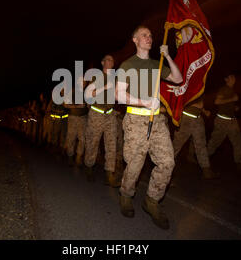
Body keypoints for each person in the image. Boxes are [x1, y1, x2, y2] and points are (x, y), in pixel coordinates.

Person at [116, 25, 182, 230]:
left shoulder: (157, 63)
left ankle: (152, 200)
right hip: (136, 121)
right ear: (135, 40)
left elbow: (178, 79)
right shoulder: (128, 64)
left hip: (158, 122)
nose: (149, 38)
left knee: (167, 162)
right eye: (144, 35)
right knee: (135, 164)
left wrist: (168, 56)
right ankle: (126, 195)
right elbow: (118, 94)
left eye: (151, 35)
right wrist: (143, 102)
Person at [84, 55, 120, 187]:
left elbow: (118, 95)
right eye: (108, 59)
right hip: (96, 113)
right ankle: (89, 166)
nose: (111, 62)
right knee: (93, 142)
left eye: (112, 60)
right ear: (102, 62)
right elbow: (88, 94)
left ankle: (109, 173)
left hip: (110, 115)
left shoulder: (115, 78)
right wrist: (104, 87)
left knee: (111, 144)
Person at [207, 73, 241, 172]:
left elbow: (226, 104)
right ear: (226, 79)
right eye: (231, 77)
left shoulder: (232, 90)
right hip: (222, 120)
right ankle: (203, 158)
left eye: (234, 77)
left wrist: (234, 107)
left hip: (232, 120)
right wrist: (232, 99)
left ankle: (240, 164)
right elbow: (217, 101)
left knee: (239, 142)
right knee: (215, 142)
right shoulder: (223, 89)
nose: (233, 78)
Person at [172, 97, 219, 179]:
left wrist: (204, 111)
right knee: (177, 145)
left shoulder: (200, 86)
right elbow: (180, 99)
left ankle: (206, 170)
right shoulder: (187, 85)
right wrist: (196, 105)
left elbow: (200, 104)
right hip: (186, 119)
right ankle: (166, 169)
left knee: (201, 145)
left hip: (198, 118)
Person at [63, 77, 88, 167]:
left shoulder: (87, 93)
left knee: (83, 139)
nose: (84, 83)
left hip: (84, 118)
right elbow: (65, 105)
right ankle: (70, 156)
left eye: (85, 81)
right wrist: (77, 106)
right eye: (82, 81)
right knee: (71, 138)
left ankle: (78, 157)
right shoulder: (72, 91)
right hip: (73, 117)